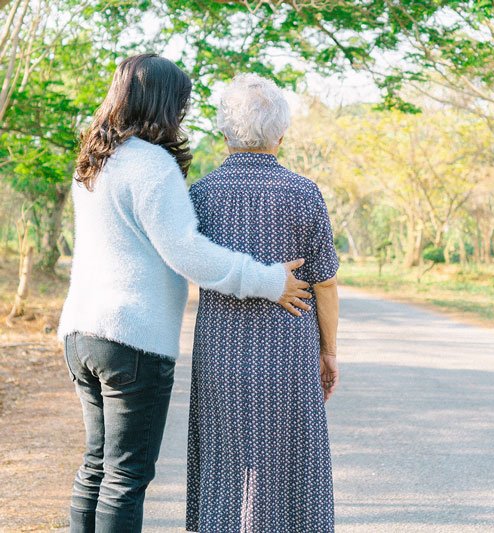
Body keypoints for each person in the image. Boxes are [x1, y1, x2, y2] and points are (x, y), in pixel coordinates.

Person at [58, 54, 312, 533]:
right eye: (180, 103)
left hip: (81, 333)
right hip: (131, 337)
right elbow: (187, 252)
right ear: (161, 103)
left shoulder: (94, 161)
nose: (183, 114)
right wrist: (268, 281)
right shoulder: (151, 164)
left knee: (96, 467)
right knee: (125, 477)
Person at [186, 73, 339, 532]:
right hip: (289, 355)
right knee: (292, 461)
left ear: (224, 132)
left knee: (226, 461)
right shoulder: (305, 194)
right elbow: (325, 283)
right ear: (281, 134)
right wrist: (329, 352)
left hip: (220, 354)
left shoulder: (201, 195)